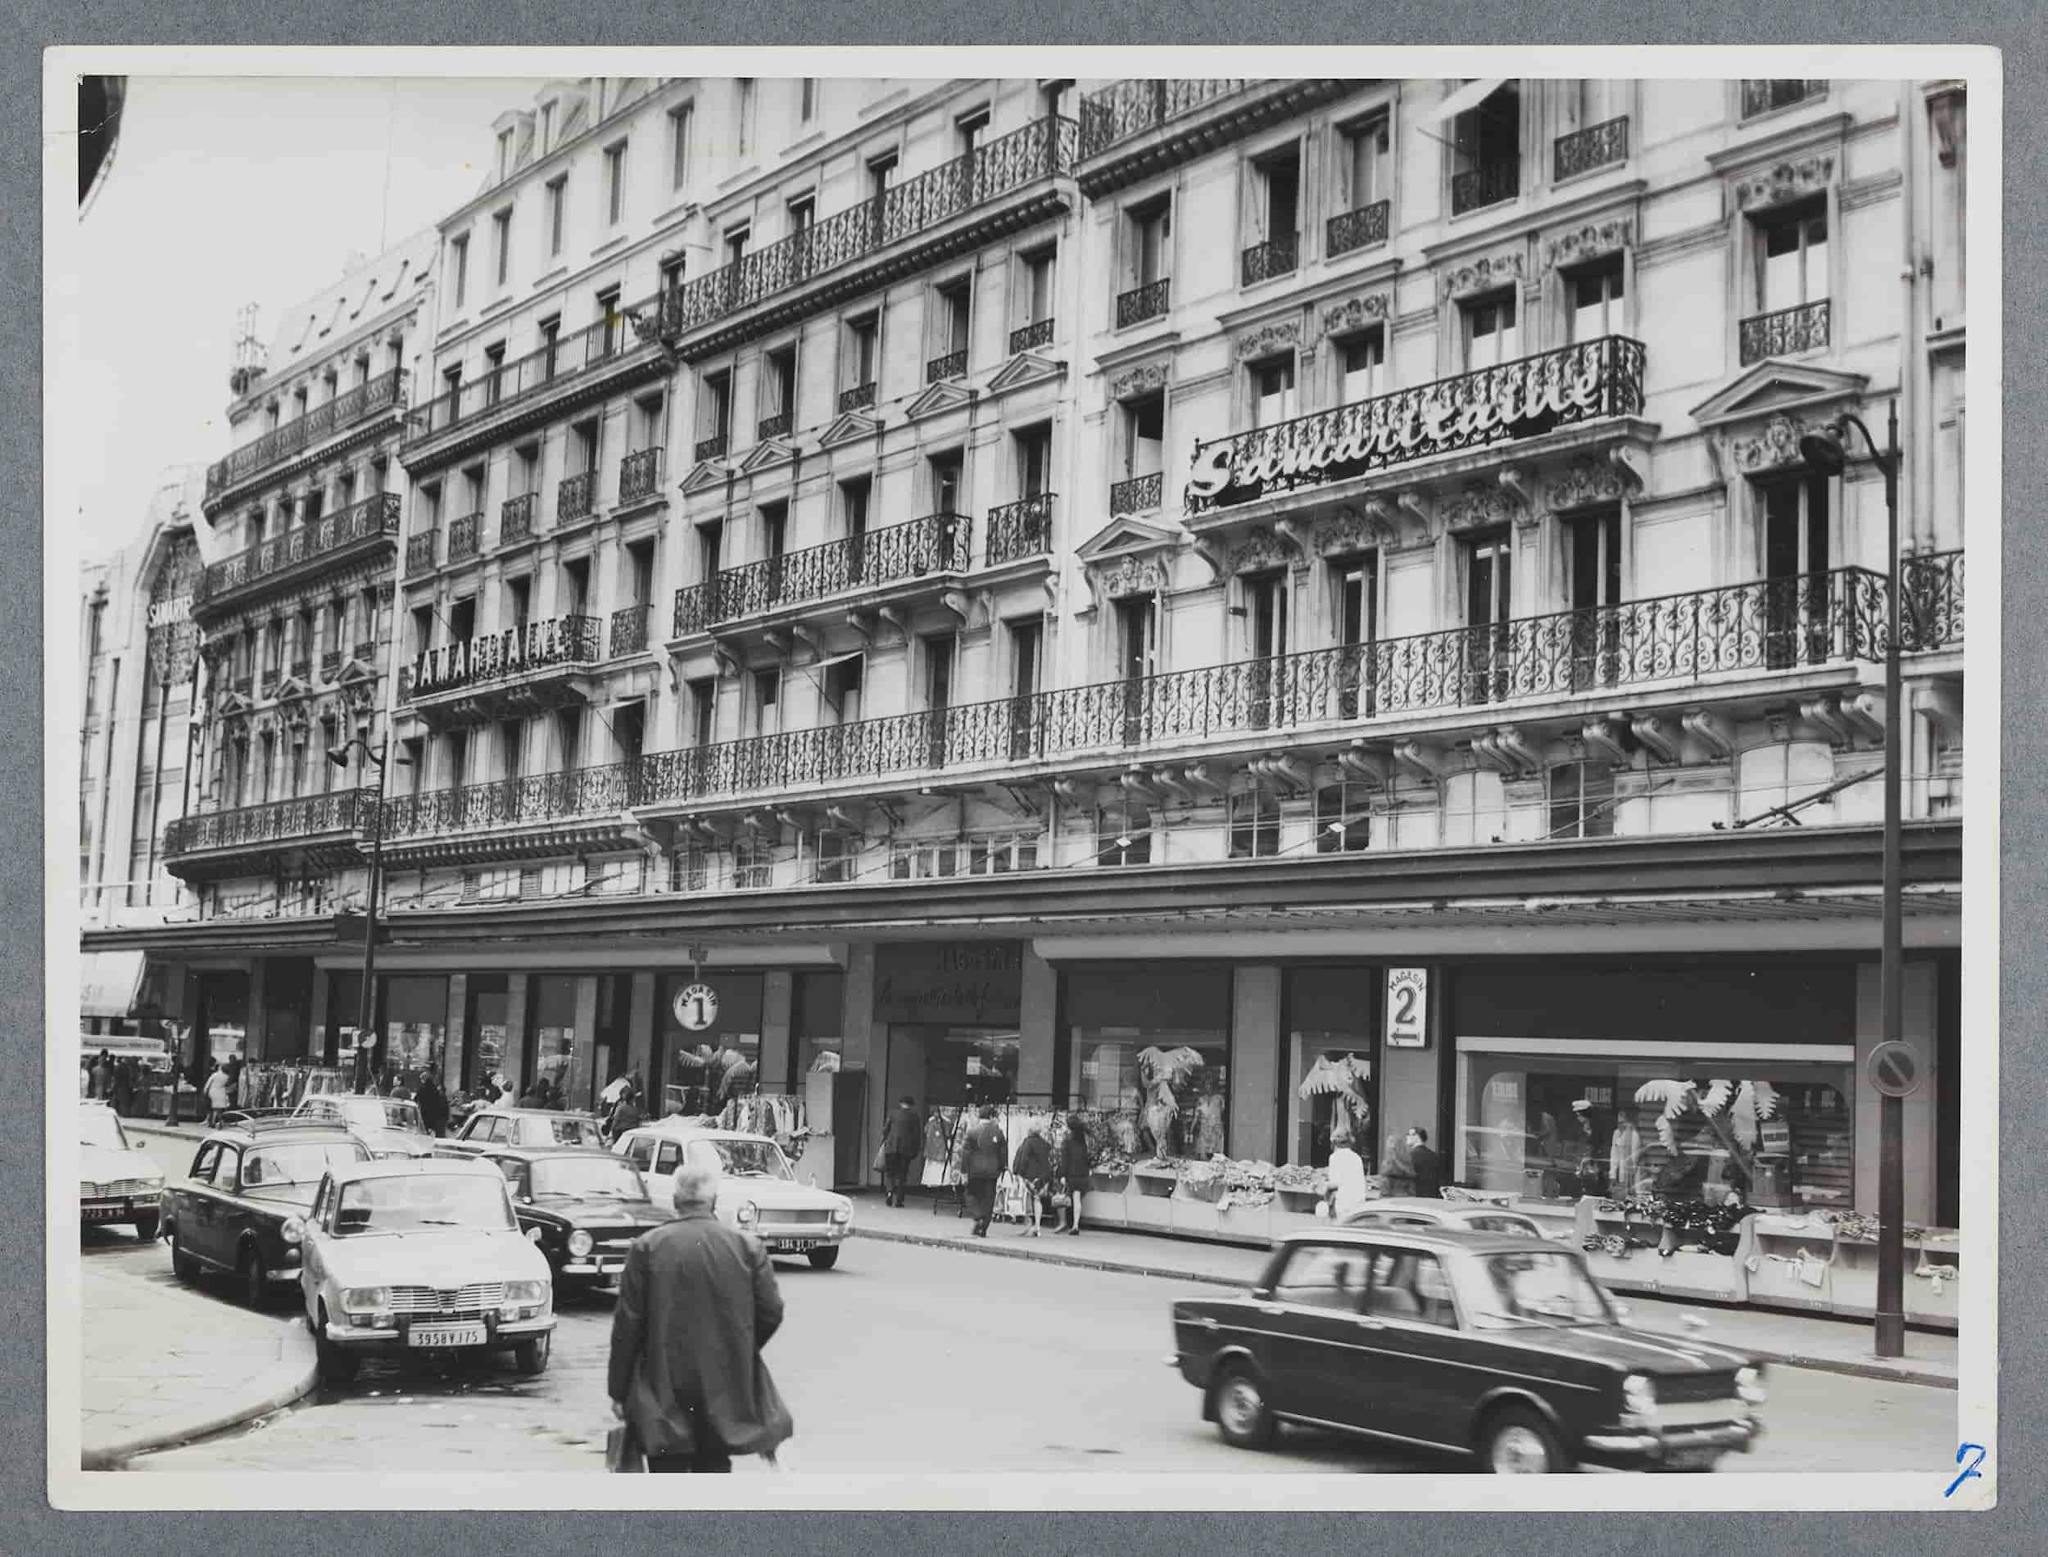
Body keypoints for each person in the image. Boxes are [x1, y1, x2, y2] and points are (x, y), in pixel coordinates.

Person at [607, 1161, 793, 1474]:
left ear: (676, 1201)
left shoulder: (647, 1248)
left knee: (668, 1477)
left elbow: (627, 1327)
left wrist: (618, 1390)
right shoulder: (747, 1247)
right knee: (714, 1470)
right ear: (714, 1201)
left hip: (661, 1387)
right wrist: (739, 1345)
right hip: (724, 1386)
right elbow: (771, 1311)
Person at [958, 1105, 1008, 1238]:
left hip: (975, 1169)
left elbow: (966, 1154)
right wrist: (1002, 1168)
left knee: (971, 1194)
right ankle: (983, 1227)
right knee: (988, 1198)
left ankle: (977, 1216)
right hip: (992, 1170)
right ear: (991, 1117)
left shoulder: (972, 1132)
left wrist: (964, 1171)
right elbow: (1003, 1154)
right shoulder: (998, 1132)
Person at [1010, 1119, 1054, 1237]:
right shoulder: (1045, 1144)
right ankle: (1038, 1227)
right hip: (1041, 1176)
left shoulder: (1027, 1143)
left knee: (1027, 1200)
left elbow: (1023, 1159)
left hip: (1029, 1176)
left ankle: (1029, 1225)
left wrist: (1018, 1172)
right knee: (1037, 1199)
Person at [881, 1096, 921, 1208]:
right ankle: (899, 1200)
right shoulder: (914, 1117)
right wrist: (916, 1149)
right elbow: (916, 1135)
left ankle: (889, 1192)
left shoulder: (892, 1114)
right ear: (911, 1105)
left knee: (890, 1173)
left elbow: (885, 1130)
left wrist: (886, 1141)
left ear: (900, 1103)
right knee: (902, 1175)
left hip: (891, 1147)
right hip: (906, 1149)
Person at [1054, 1113, 1090, 1236]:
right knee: (1077, 1199)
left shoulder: (1067, 1141)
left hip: (1071, 1173)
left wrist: (1062, 1175)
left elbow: (1065, 1160)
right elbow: (1086, 1157)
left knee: (1063, 1196)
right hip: (1082, 1173)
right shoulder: (1082, 1140)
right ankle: (1075, 1224)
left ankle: (1063, 1222)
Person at [1326, 1126, 1369, 1222]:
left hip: (1343, 1202)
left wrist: (1322, 1187)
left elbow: (1334, 1183)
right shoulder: (1356, 1158)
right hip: (1358, 1202)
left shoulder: (1334, 1158)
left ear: (1334, 1143)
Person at [1408, 1126, 1444, 1199]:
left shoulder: (1410, 1156)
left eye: (1409, 1134)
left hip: (1415, 1197)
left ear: (1416, 1136)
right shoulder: (1434, 1156)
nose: (1407, 1137)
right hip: (1433, 1197)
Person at [416, 1071, 449, 1137]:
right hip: (436, 1117)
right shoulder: (436, 1091)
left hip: (425, 1116)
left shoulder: (421, 1089)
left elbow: (417, 1100)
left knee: (424, 1135)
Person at [203, 1060, 232, 1126]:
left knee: (214, 1108)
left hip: (213, 1091)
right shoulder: (227, 1076)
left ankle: (213, 1122)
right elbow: (227, 1085)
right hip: (221, 1092)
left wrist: (205, 1090)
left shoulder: (215, 1075)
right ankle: (218, 1121)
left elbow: (208, 1083)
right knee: (219, 1109)